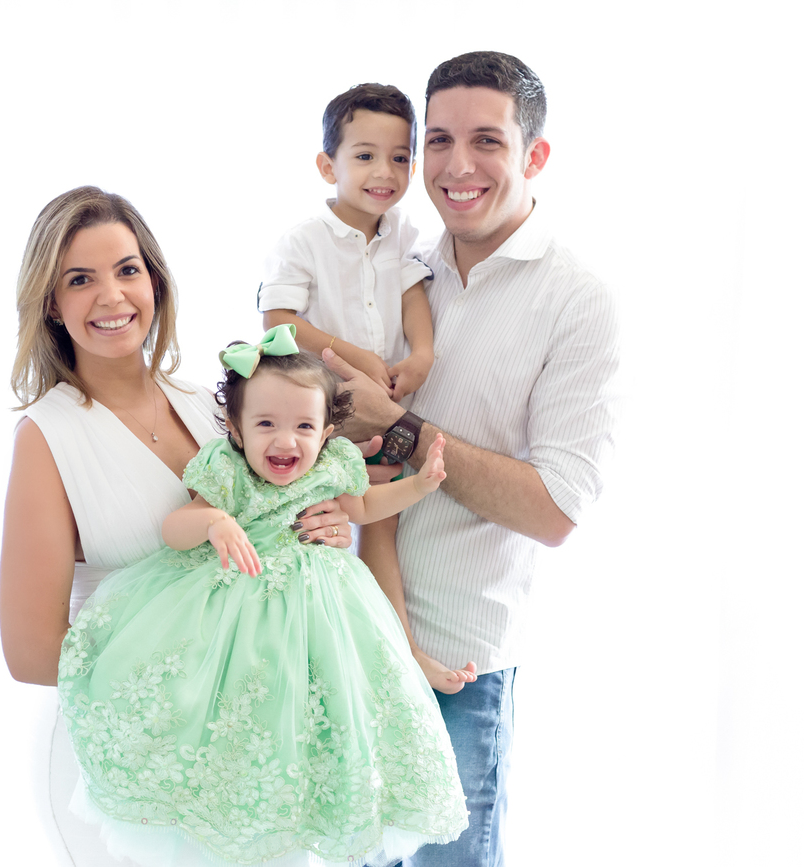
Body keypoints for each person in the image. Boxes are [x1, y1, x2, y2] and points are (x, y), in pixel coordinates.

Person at [322, 52, 622, 867]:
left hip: (458, 666)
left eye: (487, 140)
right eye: (440, 140)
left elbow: (555, 509)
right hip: (345, 640)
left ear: (535, 154)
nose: (457, 167)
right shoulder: (398, 267)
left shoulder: (576, 301)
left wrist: (402, 427)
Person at [0, 187, 355, 867]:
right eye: (80, 279)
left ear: (155, 281)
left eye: (127, 270)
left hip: (247, 754)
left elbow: (272, 541)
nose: (111, 296)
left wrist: (324, 528)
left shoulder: (213, 408)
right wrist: (190, 690)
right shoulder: (50, 435)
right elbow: (29, 651)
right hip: (131, 759)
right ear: (51, 303)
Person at [57, 324, 468, 867]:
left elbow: (366, 507)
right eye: (266, 424)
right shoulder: (228, 472)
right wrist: (214, 522)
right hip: (239, 608)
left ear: (326, 433)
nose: (285, 441)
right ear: (235, 427)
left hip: (324, 611)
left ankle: (309, 809)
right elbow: (174, 529)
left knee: (330, 706)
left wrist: (419, 485)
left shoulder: (332, 468)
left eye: (304, 426)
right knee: (243, 712)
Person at [258, 83, 474, 694]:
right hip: (315, 418)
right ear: (328, 165)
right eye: (365, 156)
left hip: (379, 415)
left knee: (381, 520)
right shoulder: (303, 240)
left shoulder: (402, 233)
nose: (385, 172)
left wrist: (423, 354)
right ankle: (311, 664)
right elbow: (277, 325)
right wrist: (354, 356)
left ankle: (401, 651)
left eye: (400, 157)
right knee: (311, 530)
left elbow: (412, 298)